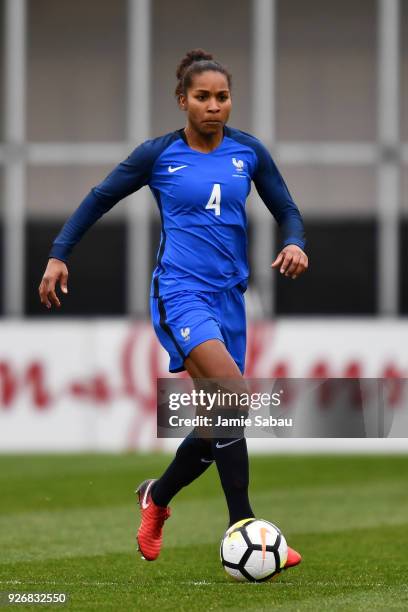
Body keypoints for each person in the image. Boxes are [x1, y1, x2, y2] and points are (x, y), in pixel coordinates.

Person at [39, 49, 308, 568]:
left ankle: (156, 498)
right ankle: (244, 526)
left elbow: (287, 209)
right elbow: (99, 197)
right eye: (203, 97)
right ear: (182, 100)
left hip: (231, 298)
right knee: (234, 397)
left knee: (215, 424)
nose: (214, 106)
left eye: (222, 97)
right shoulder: (158, 155)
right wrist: (58, 254)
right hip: (180, 292)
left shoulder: (248, 153)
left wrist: (295, 241)